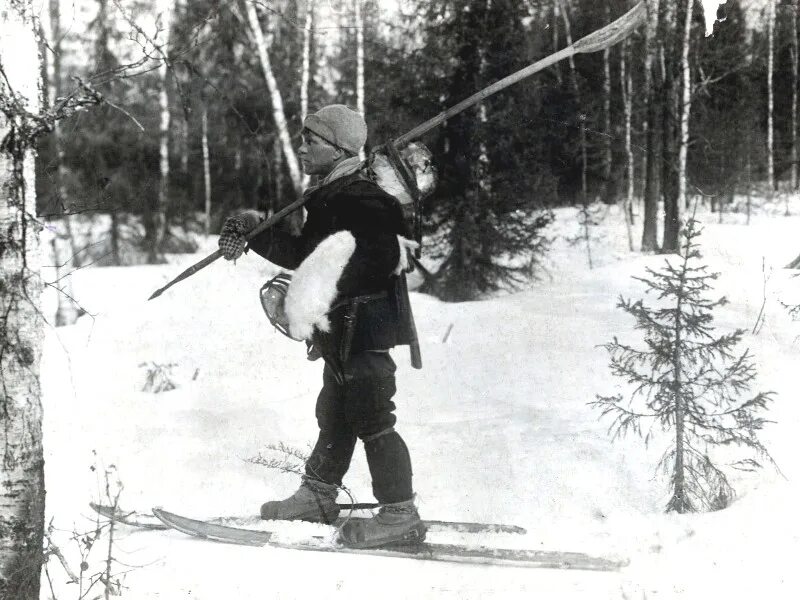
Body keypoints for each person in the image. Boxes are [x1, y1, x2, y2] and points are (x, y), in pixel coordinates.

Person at [217, 104, 424, 549]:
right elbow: (305, 256)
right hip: (339, 329)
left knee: (372, 416)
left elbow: (379, 261)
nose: (302, 146)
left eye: (311, 140)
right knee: (335, 413)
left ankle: (400, 512)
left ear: (337, 147)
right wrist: (254, 230)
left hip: (364, 329)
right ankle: (318, 495)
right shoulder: (331, 193)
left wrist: (313, 291)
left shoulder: (366, 198)